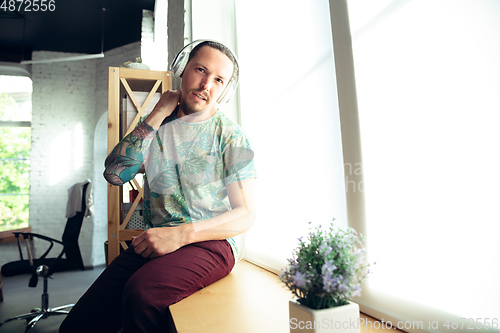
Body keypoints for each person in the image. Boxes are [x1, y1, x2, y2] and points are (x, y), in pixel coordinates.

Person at [59, 40, 256, 333]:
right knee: (78, 324)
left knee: (142, 294)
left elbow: (246, 214)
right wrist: (156, 114)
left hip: (210, 243)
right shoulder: (157, 129)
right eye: (200, 70)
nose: (206, 84)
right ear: (182, 70)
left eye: (218, 80)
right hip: (158, 240)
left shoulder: (231, 136)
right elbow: (114, 173)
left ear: (225, 89)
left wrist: (180, 234)